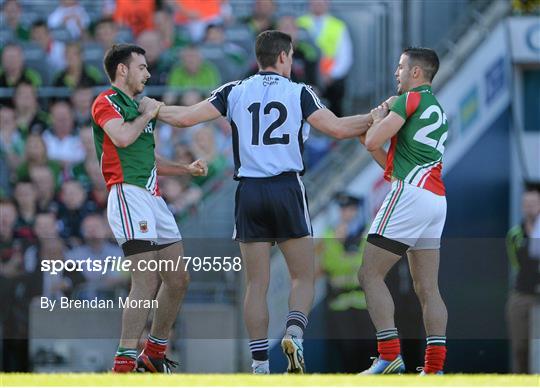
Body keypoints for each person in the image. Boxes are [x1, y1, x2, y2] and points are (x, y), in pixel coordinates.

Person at [145, 30, 373, 374]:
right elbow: (339, 129)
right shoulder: (300, 92)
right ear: (283, 57)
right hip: (286, 188)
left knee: (256, 284)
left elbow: (184, 118)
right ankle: (294, 334)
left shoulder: (235, 90)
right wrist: (378, 116)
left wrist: (152, 107)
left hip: (249, 190)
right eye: (291, 55)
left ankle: (259, 365)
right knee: (303, 277)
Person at [90, 43, 208, 373]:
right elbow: (123, 138)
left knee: (178, 278)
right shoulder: (106, 102)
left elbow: (147, 157)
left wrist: (185, 170)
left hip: (152, 196)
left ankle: (154, 353)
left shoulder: (137, 106)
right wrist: (148, 113)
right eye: (141, 67)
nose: (148, 73)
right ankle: (123, 365)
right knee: (145, 280)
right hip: (128, 195)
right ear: (122, 69)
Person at [357, 47, 448, 375]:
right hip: (435, 200)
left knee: (368, 274)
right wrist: (371, 140)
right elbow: (388, 160)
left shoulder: (406, 100)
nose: (396, 72)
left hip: (410, 195)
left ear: (415, 73)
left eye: (400, 67)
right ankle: (434, 368)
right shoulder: (436, 107)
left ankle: (388, 355)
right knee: (428, 288)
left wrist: (376, 122)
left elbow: (373, 139)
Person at [506, 183, 540, 373]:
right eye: (526, 203)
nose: (530, 207)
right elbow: (519, 264)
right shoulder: (515, 234)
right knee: (520, 347)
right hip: (522, 294)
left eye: (534, 203)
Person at [297, 0, 352, 116]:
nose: (318, 4)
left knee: (337, 92)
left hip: (330, 76)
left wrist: (331, 75)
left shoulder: (338, 25)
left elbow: (345, 56)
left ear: (328, 3)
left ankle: (336, 128)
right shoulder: (299, 23)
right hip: (305, 74)